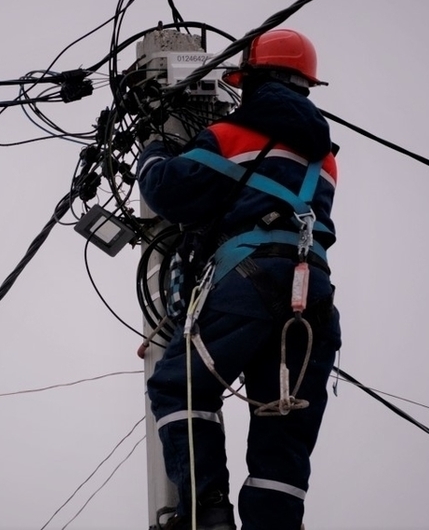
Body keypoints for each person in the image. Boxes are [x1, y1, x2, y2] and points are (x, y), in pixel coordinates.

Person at [137, 29, 342, 530]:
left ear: (250, 80)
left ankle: (206, 515)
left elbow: (170, 192)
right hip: (313, 294)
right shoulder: (326, 159)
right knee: (283, 429)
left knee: (178, 387)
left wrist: (156, 150)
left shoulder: (231, 136)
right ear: (304, 86)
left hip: (248, 281)